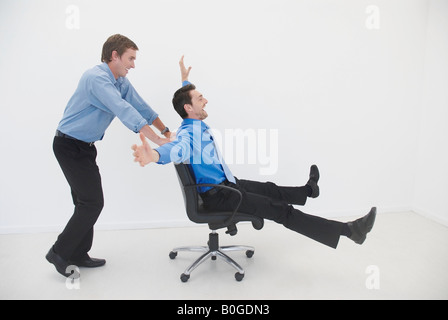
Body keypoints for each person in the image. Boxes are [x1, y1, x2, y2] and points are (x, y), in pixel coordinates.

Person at [131, 56, 376, 250]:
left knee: (270, 189)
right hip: (220, 195)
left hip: (227, 184)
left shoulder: (190, 122)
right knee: (281, 210)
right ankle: (350, 231)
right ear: (189, 108)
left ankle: (309, 191)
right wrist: (154, 155)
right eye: (200, 98)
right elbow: (177, 149)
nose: (205, 100)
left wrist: (185, 82)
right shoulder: (187, 134)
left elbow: (185, 104)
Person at [47, 34, 173, 277]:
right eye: (130, 58)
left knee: (85, 202)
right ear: (114, 55)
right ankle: (59, 253)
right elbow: (123, 109)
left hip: (84, 147)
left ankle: (78, 253)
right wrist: (157, 141)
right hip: (68, 146)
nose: (133, 65)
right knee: (92, 202)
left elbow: (141, 106)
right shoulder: (97, 78)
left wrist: (165, 130)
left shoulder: (121, 81)